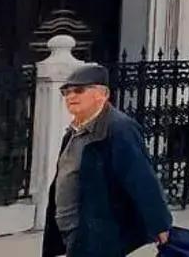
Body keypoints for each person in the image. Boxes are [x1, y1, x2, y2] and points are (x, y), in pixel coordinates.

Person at [41, 63, 171, 257]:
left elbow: (141, 177)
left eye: (79, 90)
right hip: (71, 229)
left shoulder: (119, 129)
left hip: (97, 231)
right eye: (65, 92)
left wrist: (159, 223)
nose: (70, 97)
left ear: (102, 94)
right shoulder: (74, 131)